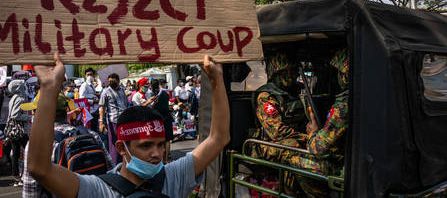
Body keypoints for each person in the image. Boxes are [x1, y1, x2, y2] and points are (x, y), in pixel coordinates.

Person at [27, 53, 229, 198]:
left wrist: (216, 80)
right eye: (146, 145)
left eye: (160, 145)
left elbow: (218, 138)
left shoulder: (173, 177)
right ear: (122, 148)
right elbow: (39, 168)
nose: (157, 154)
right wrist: (49, 88)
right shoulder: (98, 190)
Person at [252, 49, 349, 196]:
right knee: (292, 148)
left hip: (294, 138)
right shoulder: (266, 97)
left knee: (303, 147)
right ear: (278, 73)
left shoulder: (293, 92)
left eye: (294, 71)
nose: (294, 75)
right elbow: (277, 132)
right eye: (290, 71)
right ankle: (288, 192)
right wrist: (308, 138)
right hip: (266, 144)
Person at [22, 93, 114, 198]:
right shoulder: (92, 135)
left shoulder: (37, 144)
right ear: (66, 111)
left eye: (34, 111)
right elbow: (110, 171)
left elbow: (30, 192)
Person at [98, 73, 129, 164]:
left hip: (124, 120)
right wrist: (101, 122)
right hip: (113, 121)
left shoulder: (122, 90)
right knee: (115, 144)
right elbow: (102, 107)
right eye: (110, 81)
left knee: (124, 141)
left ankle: (125, 161)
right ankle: (115, 164)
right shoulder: (105, 92)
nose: (111, 83)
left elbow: (125, 103)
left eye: (113, 81)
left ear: (118, 81)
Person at [6, 80, 31, 187]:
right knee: (29, 152)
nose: (24, 86)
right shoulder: (20, 98)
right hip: (20, 130)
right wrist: (28, 117)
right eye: (22, 85)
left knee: (16, 154)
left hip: (13, 130)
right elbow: (15, 115)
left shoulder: (13, 98)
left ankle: (17, 178)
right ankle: (28, 176)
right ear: (18, 87)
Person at [151, 80, 174, 163]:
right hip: (167, 117)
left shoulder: (153, 95)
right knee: (167, 140)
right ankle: (166, 159)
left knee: (159, 139)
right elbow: (168, 104)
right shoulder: (165, 94)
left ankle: (160, 159)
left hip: (157, 119)